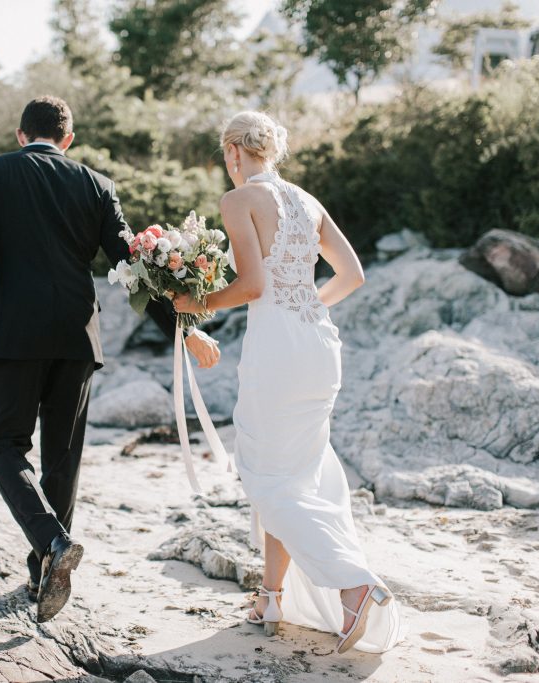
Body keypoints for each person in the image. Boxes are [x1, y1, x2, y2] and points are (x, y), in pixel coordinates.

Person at [0, 96, 221, 623]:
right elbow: (133, 265)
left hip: (14, 335)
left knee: (4, 448)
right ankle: (43, 572)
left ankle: (53, 545)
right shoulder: (96, 184)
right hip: (79, 339)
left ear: (20, 135)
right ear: (69, 140)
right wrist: (182, 330)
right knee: (62, 457)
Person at [173, 111, 404, 654]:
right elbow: (352, 276)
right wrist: (303, 306)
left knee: (265, 478)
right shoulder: (308, 200)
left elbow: (252, 284)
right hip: (319, 348)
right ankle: (273, 595)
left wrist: (195, 304)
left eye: (225, 156)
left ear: (234, 152)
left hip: (278, 352)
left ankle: (355, 587)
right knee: (293, 476)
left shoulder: (239, 200)